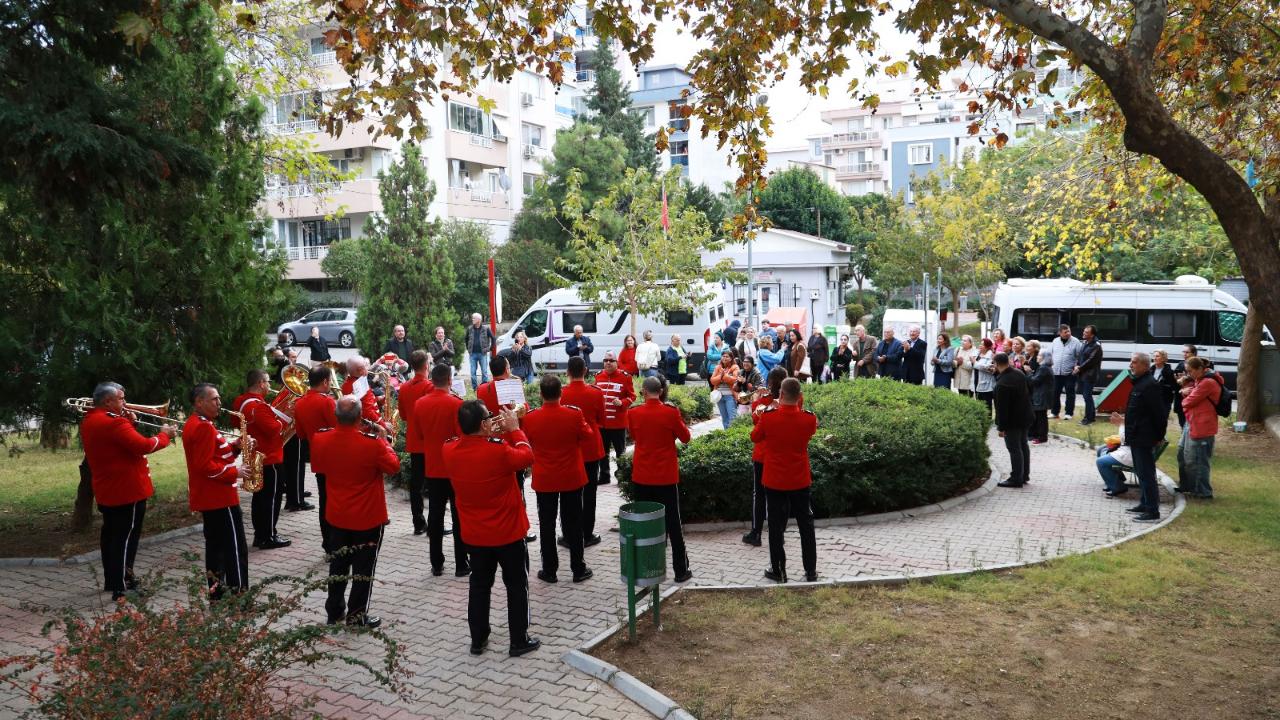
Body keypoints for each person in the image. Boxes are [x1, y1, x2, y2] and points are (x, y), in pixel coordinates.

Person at [443, 401, 541, 657]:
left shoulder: (448, 449)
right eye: (489, 417)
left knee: (479, 586)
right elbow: (527, 456)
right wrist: (514, 429)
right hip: (508, 532)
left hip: (475, 534)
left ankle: (478, 640)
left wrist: (491, 431)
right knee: (517, 585)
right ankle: (518, 640)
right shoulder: (498, 450)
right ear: (484, 423)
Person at [79, 381, 176, 600]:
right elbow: (143, 446)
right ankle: (123, 586)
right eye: (122, 399)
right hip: (127, 490)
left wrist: (129, 423)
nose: (126, 402)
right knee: (125, 540)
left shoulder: (91, 420)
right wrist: (165, 435)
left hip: (108, 489)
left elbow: (119, 444)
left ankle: (112, 580)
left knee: (111, 537)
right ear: (108, 401)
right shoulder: (114, 423)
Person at [310, 396, 399, 628]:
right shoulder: (372, 443)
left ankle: (334, 611)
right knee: (363, 568)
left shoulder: (321, 438)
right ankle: (357, 616)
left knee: (338, 564)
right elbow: (393, 467)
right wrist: (383, 439)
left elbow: (318, 466)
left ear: (336, 416)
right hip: (367, 516)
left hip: (337, 514)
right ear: (360, 417)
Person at [522, 376, 594, 584]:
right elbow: (588, 435)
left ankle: (549, 570)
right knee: (574, 523)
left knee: (547, 524)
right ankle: (578, 568)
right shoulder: (574, 414)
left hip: (545, 478)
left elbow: (526, 441)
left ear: (541, 394)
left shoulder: (531, 418)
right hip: (571, 476)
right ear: (561, 393)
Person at [183, 383, 249, 598]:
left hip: (211, 497)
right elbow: (205, 466)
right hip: (220, 497)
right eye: (214, 399)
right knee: (235, 549)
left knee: (216, 549)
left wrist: (236, 446)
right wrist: (236, 472)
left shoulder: (198, 422)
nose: (219, 403)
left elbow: (215, 455)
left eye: (218, 398)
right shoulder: (203, 426)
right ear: (199, 402)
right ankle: (240, 596)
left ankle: (217, 596)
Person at [627, 376, 694, 583]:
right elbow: (686, 438)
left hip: (642, 475)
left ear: (644, 392)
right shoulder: (670, 412)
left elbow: (634, 436)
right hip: (665, 476)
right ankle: (680, 570)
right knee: (673, 523)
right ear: (662, 391)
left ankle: (646, 568)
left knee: (643, 524)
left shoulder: (633, 412)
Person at [752, 377, 819, 583]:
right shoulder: (809, 419)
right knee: (806, 524)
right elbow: (810, 431)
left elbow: (754, 437)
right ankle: (810, 570)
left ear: (780, 394)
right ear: (800, 397)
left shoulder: (769, 417)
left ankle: (779, 571)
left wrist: (765, 408)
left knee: (775, 525)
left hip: (775, 479)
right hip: (799, 478)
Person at [412, 363, 471, 576]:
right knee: (459, 516)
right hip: (455, 467)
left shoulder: (420, 404)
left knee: (435, 516)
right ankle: (461, 564)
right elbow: (462, 436)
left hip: (433, 467)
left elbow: (419, 435)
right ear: (449, 380)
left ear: (432, 380)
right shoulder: (456, 403)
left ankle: (436, 564)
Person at [232, 370, 290, 550]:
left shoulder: (240, 401)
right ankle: (268, 536)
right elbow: (274, 429)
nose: (270, 386)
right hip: (269, 457)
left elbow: (236, 423)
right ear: (261, 383)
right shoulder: (258, 406)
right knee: (271, 499)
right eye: (268, 382)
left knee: (260, 498)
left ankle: (261, 535)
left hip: (255, 455)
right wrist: (286, 416)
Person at [1108, 352, 1169, 522]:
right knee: (1141, 473)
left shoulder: (1150, 385)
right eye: (1131, 362)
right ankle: (1144, 503)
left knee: (1147, 474)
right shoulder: (1140, 383)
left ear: (1144, 365)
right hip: (1135, 437)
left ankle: (1152, 511)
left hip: (1144, 438)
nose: (1131, 365)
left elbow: (1159, 415)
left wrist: (1158, 436)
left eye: (1134, 362)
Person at [561, 357, 606, 547]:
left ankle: (568, 533)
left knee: (567, 494)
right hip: (591, 447)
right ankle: (587, 533)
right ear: (585, 371)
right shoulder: (596, 392)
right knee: (589, 493)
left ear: (568, 372)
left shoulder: (562, 393)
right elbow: (602, 419)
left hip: (568, 448)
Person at [293, 366, 339, 553]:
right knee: (338, 499)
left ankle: (328, 543)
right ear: (325, 381)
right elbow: (340, 428)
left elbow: (300, 434)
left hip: (317, 456)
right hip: (335, 456)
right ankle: (338, 542)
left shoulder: (299, 403)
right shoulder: (327, 402)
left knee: (324, 500)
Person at [743, 367, 790, 546]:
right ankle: (780, 532)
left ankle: (756, 533)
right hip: (783, 454)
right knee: (782, 494)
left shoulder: (763, 401)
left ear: (770, 382)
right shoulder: (794, 399)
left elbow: (756, 422)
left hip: (763, 454)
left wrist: (757, 399)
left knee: (760, 495)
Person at [398, 350, 434, 535]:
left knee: (416, 483)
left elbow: (403, 416)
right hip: (431, 441)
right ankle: (435, 524)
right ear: (426, 365)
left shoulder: (404, 387)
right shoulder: (430, 386)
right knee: (434, 483)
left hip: (414, 440)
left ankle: (418, 523)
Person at [1177, 357, 1221, 499]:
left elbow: (1188, 402)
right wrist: (1185, 391)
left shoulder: (1207, 382)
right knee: (1182, 454)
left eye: (1190, 371)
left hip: (1202, 426)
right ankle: (1187, 486)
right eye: (1187, 371)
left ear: (1199, 369)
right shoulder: (1199, 380)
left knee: (1199, 460)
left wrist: (1184, 394)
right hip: (1192, 422)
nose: (1188, 374)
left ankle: (1203, 492)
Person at [594, 351, 635, 485]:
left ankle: (622, 476)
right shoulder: (598, 376)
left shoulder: (625, 377)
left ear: (616, 362)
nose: (608, 363)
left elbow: (632, 396)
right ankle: (604, 476)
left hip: (618, 423)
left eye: (611, 360)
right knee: (602, 452)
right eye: (605, 360)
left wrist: (622, 402)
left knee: (620, 452)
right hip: (602, 423)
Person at [993, 353, 1033, 488]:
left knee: (1014, 448)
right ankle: (1024, 475)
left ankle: (1016, 478)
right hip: (1025, 416)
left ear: (996, 364)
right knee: (1023, 445)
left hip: (1012, 421)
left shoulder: (1002, 384)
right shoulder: (1019, 373)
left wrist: (1001, 427)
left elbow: (1002, 409)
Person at [1050, 324, 1082, 420]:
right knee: (1055, 393)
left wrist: (1077, 366)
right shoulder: (1055, 341)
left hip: (1070, 373)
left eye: (1069, 331)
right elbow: (1051, 354)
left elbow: (1080, 356)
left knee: (1070, 393)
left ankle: (1069, 413)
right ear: (1060, 333)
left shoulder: (1076, 341)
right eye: (1065, 332)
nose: (1068, 333)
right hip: (1056, 372)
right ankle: (1054, 412)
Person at [341, 356, 383, 428]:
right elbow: (367, 411)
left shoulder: (346, 384)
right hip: (370, 426)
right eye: (365, 366)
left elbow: (363, 402)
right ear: (360, 370)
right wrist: (382, 424)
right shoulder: (359, 384)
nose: (367, 368)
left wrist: (376, 399)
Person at [1075, 324, 1103, 425]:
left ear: (1092, 335)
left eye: (1086, 332)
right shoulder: (1085, 342)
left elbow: (1091, 360)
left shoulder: (1097, 346)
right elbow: (1080, 356)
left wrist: (1079, 368)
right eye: (1084, 331)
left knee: (1087, 396)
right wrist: (1077, 365)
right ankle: (1090, 417)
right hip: (1083, 374)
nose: (1083, 333)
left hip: (1090, 375)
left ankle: (1088, 418)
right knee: (1086, 396)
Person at [1096, 427, 1134, 497]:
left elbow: (1128, 439)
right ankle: (1116, 480)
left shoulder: (1135, 424)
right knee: (1101, 449)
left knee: (1101, 461)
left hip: (1130, 455)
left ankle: (1118, 487)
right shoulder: (1128, 423)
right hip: (1126, 449)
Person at [710, 350, 741, 429]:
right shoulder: (718, 367)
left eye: (727, 356)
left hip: (730, 396)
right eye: (723, 356)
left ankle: (733, 434)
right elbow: (712, 381)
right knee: (724, 418)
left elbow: (735, 380)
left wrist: (725, 376)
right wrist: (721, 377)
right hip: (719, 397)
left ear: (731, 358)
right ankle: (726, 434)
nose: (725, 358)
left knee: (732, 418)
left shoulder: (735, 367)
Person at [1027, 351, 1054, 444]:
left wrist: (1029, 372)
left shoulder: (1043, 368)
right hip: (1042, 396)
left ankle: (1042, 437)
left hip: (1041, 397)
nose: (1037, 357)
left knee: (1041, 418)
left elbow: (1034, 381)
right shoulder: (1045, 367)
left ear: (1044, 358)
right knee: (1040, 416)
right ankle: (1037, 435)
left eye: (1039, 355)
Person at [465, 313, 496, 389]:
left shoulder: (486, 329)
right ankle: (475, 388)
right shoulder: (469, 329)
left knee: (484, 372)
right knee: (473, 373)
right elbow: (466, 339)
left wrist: (490, 348)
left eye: (474, 318)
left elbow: (493, 338)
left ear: (479, 320)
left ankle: (484, 388)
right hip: (472, 354)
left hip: (483, 353)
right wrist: (468, 349)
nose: (472, 319)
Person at [1151, 349, 1179, 419]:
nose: (1154, 358)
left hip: (1164, 402)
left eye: (1157, 356)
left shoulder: (1170, 372)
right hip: (1151, 400)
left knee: (1161, 422)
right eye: (1154, 356)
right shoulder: (1150, 370)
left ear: (1163, 358)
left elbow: (1173, 387)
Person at [974, 338, 997, 416]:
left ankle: (987, 421)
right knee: (979, 405)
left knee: (986, 406)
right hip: (977, 381)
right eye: (980, 344)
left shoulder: (991, 355)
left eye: (982, 344)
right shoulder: (978, 354)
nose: (980, 346)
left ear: (987, 346)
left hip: (986, 384)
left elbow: (988, 368)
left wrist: (975, 363)